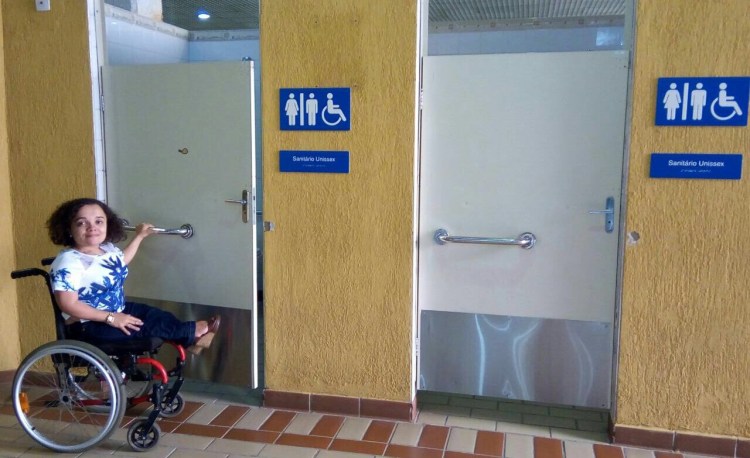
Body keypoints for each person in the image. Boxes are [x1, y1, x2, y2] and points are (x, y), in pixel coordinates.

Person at [47, 197, 220, 354]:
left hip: (116, 309)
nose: (92, 227)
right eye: (81, 223)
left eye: (99, 221)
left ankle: (191, 338)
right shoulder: (68, 262)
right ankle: (193, 334)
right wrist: (111, 318)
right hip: (88, 325)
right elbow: (68, 304)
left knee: (156, 315)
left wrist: (140, 236)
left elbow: (121, 262)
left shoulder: (106, 249)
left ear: (107, 224)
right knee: (149, 327)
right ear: (69, 229)